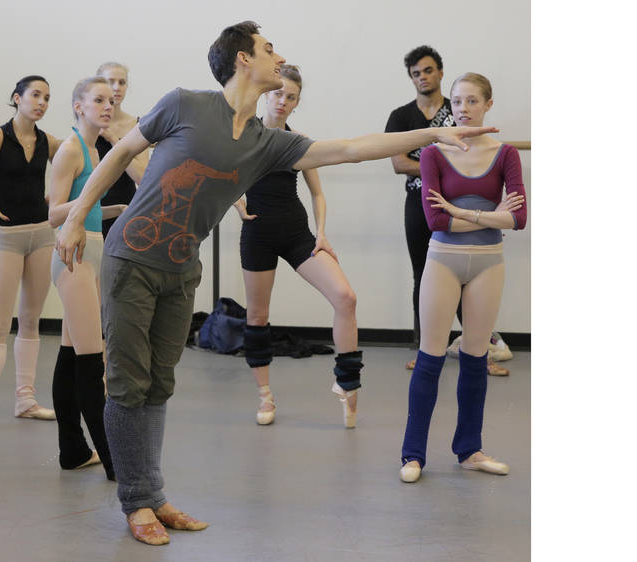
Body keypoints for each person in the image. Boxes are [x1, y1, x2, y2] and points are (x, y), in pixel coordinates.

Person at [54, 21, 495, 546]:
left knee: (159, 383)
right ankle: (136, 502)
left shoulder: (266, 144)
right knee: (129, 382)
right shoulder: (185, 104)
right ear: (243, 60)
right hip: (131, 257)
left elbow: (352, 148)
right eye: (268, 49)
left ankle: (153, 492)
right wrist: (78, 214)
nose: (277, 55)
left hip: (180, 268)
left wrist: (433, 134)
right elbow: (122, 152)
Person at [398, 72, 527, 484]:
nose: (464, 108)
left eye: (472, 101)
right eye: (457, 102)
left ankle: (469, 450)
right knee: (430, 357)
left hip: (489, 262)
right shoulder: (435, 153)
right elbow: (434, 219)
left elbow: (520, 218)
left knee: (476, 358)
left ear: (488, 104)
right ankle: (413, 454)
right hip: (443, 261)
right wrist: (491, 216)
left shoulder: (506, 154)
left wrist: (462, 213)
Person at [232, 64, 359, 428]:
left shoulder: (297, 140)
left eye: (291, 98)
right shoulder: (242, 135)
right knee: (257, 316)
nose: (283, 101)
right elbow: (221, 177)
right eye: (279, 94)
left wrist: (321, 233)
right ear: (266, 93)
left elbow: (318, 193)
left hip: (296, 234)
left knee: (345, 297)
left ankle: (347, 382)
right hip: (257, 234)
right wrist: (235, 200)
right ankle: (265, 396)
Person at [385, 46, 510, 375]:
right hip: (419, 203)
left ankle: (477, 349)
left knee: (469, 276)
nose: (422, 77)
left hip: (463, 201)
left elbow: (475, 159)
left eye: (428, 70)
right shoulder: (402, 116)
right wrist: (434, 174)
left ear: (440, 73)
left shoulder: (457, 110)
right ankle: (424, 347)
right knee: (423, 274)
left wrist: (447, 174)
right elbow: (399, 163)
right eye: (416, 73)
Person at [47, 76, 128, 480]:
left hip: (92, 249)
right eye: (98, 100)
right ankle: (115, 463)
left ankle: (73, 451)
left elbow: (88, 211)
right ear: (78, 106)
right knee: (91, 361)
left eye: (111, 101)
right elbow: (54, 213)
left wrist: (114, 209)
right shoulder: (70, 151)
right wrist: (93, 197)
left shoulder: (97, 150)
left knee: (69, 355)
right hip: (73, 256)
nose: (107, 106)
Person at [0, 75, 62, 419]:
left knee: (30, 319)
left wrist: (59, 197)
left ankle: (26, 399)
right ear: (17, 97)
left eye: (47, 97)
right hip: (5, 237)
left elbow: (81, 161)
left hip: (40, 235)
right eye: (35, 95)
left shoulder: (47, 141)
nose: (41, 102)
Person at [95, 62, 149, 240]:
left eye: (122, 82)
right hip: (94, 210)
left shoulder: (137, 126)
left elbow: (142, 178)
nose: (117, 88)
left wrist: (114, 141)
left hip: (126, 210)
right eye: (111, 82)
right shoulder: (90, 125)